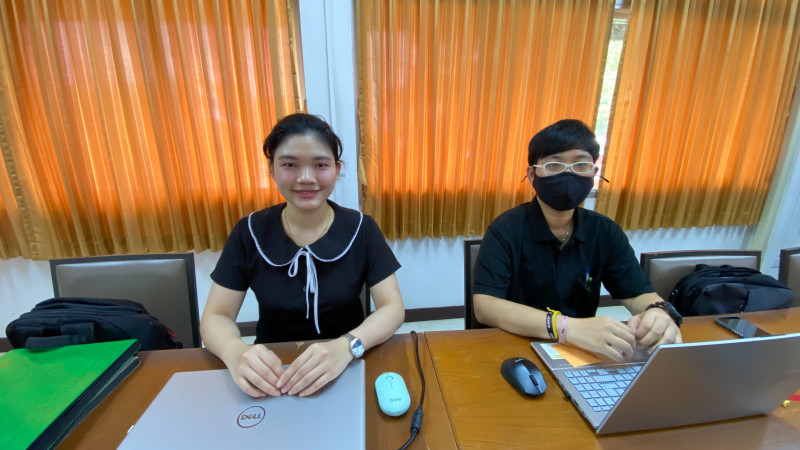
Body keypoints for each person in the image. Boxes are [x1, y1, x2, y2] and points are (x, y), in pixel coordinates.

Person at [200, 113, 405, 398]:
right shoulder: (249, 232)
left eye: (320, 164)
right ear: (272, 169)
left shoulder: (362, 228)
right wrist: (235, 351)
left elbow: (392, 307)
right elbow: (216, 315)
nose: (306, 178)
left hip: (346, 363)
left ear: (336, 169)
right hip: (273, 372)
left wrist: (346, 346)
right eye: (290, 164)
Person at [473, 119, 682, 361]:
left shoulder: (605, 231)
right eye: (554, 164)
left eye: (581, 164)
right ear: (532, 174)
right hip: (516, 346)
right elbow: (486, 306)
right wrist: (566, 328)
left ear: (593, 172)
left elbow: (636, 293)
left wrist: (658, 312)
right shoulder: (505, 229)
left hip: (581, 351)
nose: (568, 174)